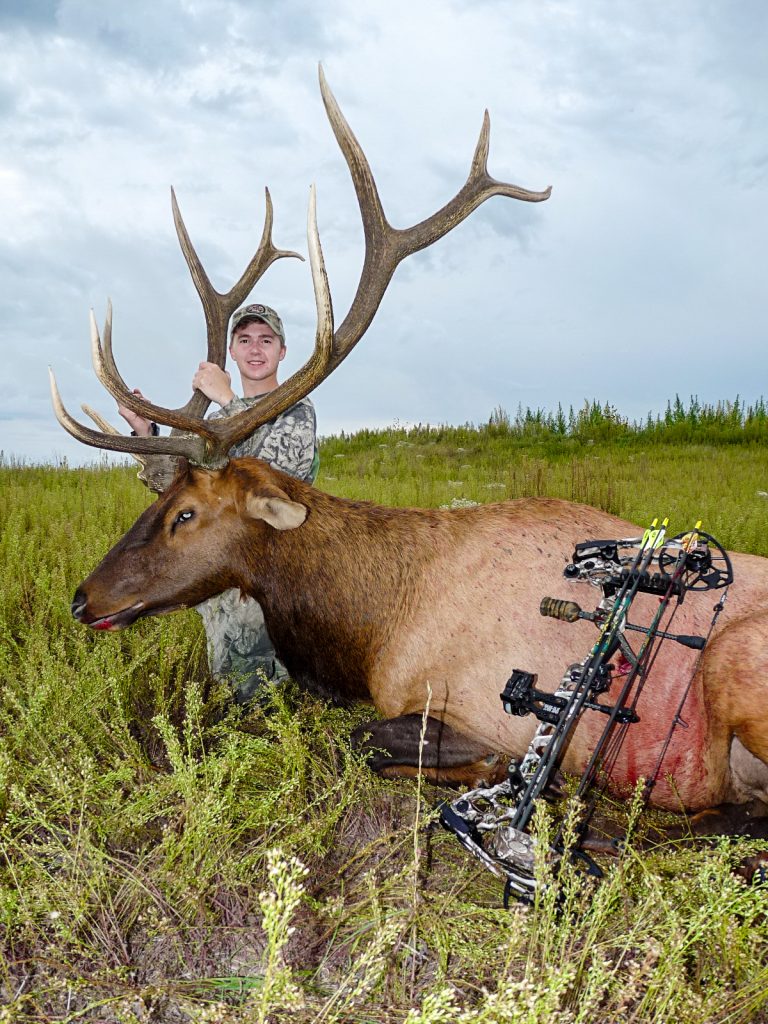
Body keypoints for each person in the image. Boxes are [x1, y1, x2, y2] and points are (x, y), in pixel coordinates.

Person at [118, 303, 318, 702]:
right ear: (231, 352)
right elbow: (180, 489)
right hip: (222, 571)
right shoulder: (212, 427)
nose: (255, 349)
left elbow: (274, 479)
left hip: (269, 576)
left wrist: (227, 400)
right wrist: (148, 432)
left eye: (266, 340)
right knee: (227, 684)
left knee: (265, 698)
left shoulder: (297, 412)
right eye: (245, 340)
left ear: (282, 352)